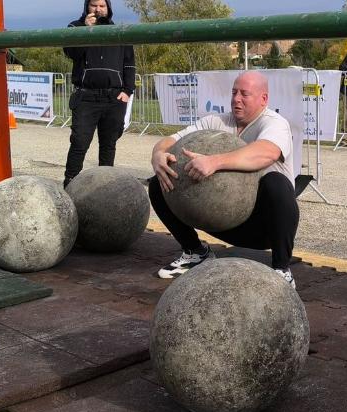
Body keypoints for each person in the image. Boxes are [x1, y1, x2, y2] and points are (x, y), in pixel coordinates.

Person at [149, 71, 300, 288]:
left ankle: (281, 269)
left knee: (276, 183)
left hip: (262, 226)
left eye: (244, 94)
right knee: (159, 182)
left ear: (263, 99)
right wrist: (158, 155)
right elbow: (171, 140)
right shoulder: (216, 121)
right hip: (218, 220)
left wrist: (215, 162)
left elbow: (266, 152)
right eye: (234, 92)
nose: (236, 99)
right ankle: (196, 252)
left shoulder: (275, 124)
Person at [62, 0, 136, 187]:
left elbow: (129, 64)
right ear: (87, 7)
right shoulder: (75, 27)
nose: (98, 9)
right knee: (79, 142)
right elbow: (71, 53)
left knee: (108, 144)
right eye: (94, 5)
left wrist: (127, 91)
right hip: (86, 96)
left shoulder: (119, 32)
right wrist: (86, 31)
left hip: (114, 98)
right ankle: (70, 183)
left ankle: (105, 187)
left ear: (108, 8)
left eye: (102, 6)